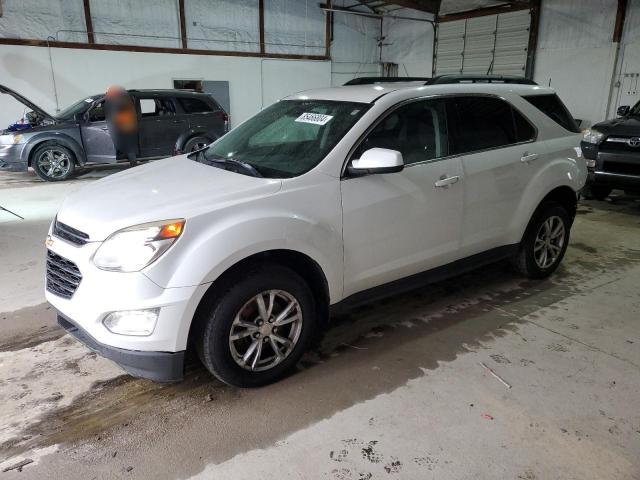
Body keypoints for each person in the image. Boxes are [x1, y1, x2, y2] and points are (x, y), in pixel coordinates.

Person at [104, 85, 139, 167]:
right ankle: (132, 161)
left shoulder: (119, 101)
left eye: (109, 93)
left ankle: (134, 164)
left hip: (126, 126)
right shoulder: (127, 99)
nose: (108, 95)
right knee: (128, 145)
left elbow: (115, 115)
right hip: (127, 126)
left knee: (129, 146)